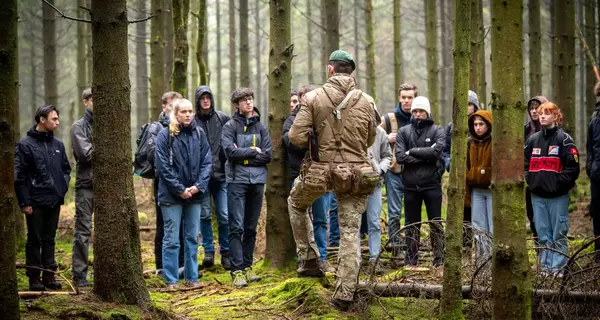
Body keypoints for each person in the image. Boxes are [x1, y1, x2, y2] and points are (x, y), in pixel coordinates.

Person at [288, 50, 378, 311]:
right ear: (351, 71)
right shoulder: (367, 100)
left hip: (321, 172)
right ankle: (344, 294)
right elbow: (371, 138)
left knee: (296, 203)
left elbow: (295, 136)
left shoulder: (313, 98)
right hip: (357, 174)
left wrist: (317, 139)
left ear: (330, 69)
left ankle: (310, 259)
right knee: (350, 231)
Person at [155, 98, 212, 289]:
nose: (188, 115)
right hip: (171, 197)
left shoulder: (199, 133)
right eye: (183, 112)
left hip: (195, 195)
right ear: (176, 114)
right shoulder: (165, 135)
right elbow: (162, 166)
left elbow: (207, 162)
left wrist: (198, 186)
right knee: (171, 239)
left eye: (190, 111)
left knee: (192, 238)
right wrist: (180, 189)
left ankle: (192, 278)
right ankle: (171, 280)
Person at [15, 105, 71, 291]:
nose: (57, 122)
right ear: (42, 119)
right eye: (54, 119)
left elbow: (66, 170)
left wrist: (60, 190)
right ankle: (34, 277)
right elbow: (20, 176)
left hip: (54, 200)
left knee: (50, 239)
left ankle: (49, 275)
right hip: (35, 202)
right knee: (34, 240)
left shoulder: (59, 145)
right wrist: (25, 202)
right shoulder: (25, 145)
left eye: (57, 118)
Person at [222, 87, 272, 287]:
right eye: (244, 100)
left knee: (250, 227)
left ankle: (248, 267)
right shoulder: (230, 126)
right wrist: (253, 151)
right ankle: (237, 271)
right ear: (237, 104)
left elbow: (268, 155)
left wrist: (244, 155)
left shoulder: (261, 127)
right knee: (236, 227)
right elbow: (229, 153)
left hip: (258, 182)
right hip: (236, 181)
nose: (249, 103)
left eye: (250, 99)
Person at [283, 84, 335, 273]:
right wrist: (310, 138)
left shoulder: (324, 119)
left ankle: (321, 257)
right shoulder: (291, 120)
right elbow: (290, 143)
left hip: (322, 175)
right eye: (304, 98)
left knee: (321, 219)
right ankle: (305, 257)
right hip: (300, 175)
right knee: (300, 215)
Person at [525, 102, 579, 276]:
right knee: (542, 233)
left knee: (559, 233)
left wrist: (557, 185)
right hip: (537, 196)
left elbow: (572, 169)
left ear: (556, 116)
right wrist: (531, 181)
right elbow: (524, 163)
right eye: (541, 113)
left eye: (547, 113)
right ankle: (546, 269)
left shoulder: (565, 140)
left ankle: (559, 268)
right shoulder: (532, 140)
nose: (542, 116)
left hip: (558, 197)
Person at [395, 96, 445, 269]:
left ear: (427, 112)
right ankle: (411, 259)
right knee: (411, 224)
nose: (417, 114)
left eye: (421, 111)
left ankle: (439, 258)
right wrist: (426, 156)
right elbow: (400, 157)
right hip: (410, 186)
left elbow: (437, 152)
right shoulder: (404, 131)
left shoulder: (436, 130)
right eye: (415, 111)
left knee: (436, 223)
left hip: (432, 185)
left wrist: (413, 152)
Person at [194, 85, 232, 270]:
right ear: (198, 101)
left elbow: (231, 140)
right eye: (202, 98)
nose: (206, 100)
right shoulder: (192, 121)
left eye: (208, 97)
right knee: (205, 215)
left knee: (224, 215)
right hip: (201, 178)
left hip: (222, 175)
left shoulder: (222, 118)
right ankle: (208, 250)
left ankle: (226, 251)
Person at [379, 83, 417, 262]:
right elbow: (373, 138)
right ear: (399, 98)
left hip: (414, 172)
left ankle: (411, 247)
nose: (407, 101)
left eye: (410, 98)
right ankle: (395, 248)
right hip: (394, 172)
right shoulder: (389, 119)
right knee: (394, 212)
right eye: (404, 97)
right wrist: (387, 138)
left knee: (412, 212)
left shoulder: (421, 116)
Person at [152, 92, 185, 275]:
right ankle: (161, 266)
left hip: (182, 183)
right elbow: (158, 159)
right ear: (164, 107)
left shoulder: (184, 127)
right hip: (162, 182)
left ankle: (180, 265)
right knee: (163, 224)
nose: (175, 110)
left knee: (181, 225)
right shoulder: (157, 129)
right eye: (172, 106)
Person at [443, 90, 480, 249]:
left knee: (477, 213)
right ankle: (463, 248)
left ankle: (479, 249)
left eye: (469, 104)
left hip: (478, 176)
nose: (466, 107)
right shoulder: (452, 126)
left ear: (475, 106)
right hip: (459, 176)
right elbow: (445, 149)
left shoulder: (481, 123)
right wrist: (449, 164)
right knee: (461, 212)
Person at [70, 88, 94, 287]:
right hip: (86, 185)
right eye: (93, 99)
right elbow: (86, 155)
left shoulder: (109, 124)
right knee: (83, 230)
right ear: (85, 102)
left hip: (107, 187)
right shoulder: (79, 126)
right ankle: (79, 275)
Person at [362, 115, 392, 272]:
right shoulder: (351, 129)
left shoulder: (380, 133)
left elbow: (388, 155)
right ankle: (353, 258)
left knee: (373, 221)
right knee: (352, 223)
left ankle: (374, 257)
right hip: (354, 184)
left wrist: (380, 169)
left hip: (375, 183)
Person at [466, 110, 493, 267]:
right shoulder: (470, 142)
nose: (477, 127)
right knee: (478, 228)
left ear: (488, 125)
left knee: (492, 227)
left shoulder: (495, 142)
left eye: (481, 124)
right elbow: (467, 166)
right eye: (475, 124)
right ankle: (482, 264)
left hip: (491, 190)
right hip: (476, 189)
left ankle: (493, 263)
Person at [525, 95, 548, 244]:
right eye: (531, 108)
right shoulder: (526, 130)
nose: (534, 111)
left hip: (548, 180)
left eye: (537, 108)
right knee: (531, 215)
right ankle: (538, 246)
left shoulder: (553, 129)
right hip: (530, 180)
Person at [587, 84, 600, 262]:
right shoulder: (595, 116)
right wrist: (590, 166)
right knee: (597, 213)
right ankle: (598, 253)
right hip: (597, 175)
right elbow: (590, 146)